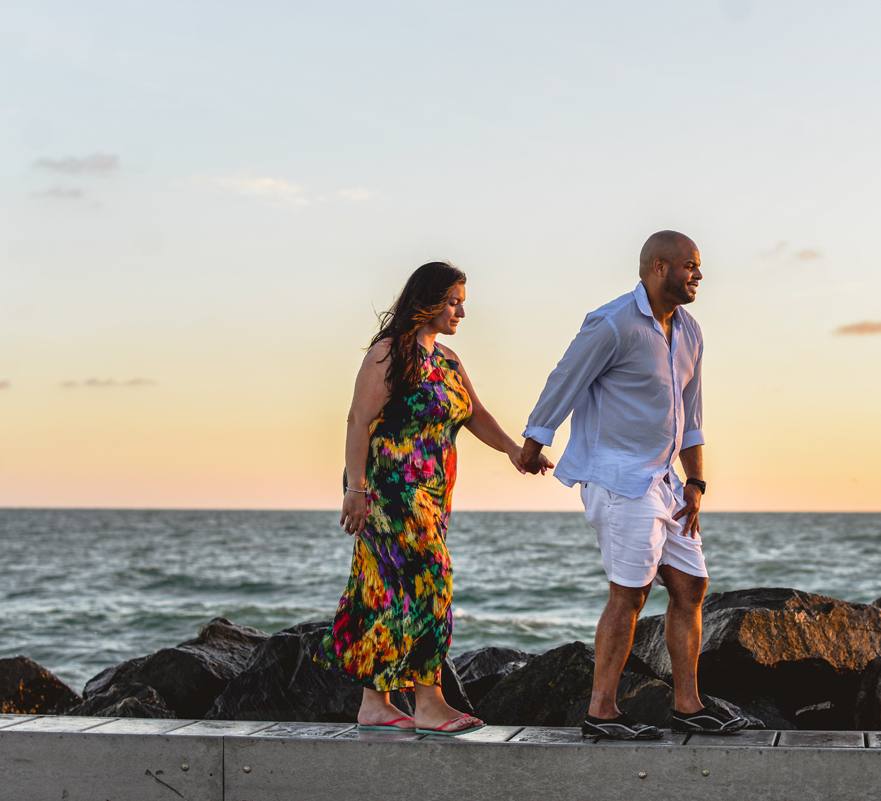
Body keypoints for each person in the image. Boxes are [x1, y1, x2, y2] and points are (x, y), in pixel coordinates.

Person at [518, 231, 746, 740]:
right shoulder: (613, 321)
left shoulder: (690, 332)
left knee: (690, 586)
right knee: (631, 593)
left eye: (700, 266)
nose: (699, 275)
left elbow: (692, 413)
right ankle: (601, 713)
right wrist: (536, 438)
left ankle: (688, 706)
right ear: (659, 267)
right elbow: (566, 377)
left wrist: (697, 480)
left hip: (667, 481)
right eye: (691, 266)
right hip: (619, 478)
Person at [316, 261, 551, 736]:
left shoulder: (446, 361)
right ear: (427, 301)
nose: (461, 310)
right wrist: (356, 491)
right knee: (433, 577)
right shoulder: (390, 353)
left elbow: (475, 414)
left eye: (462, 301)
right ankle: (429, 700)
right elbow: (358, 421)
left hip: (433, 494)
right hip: (390, 489)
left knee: (380, 587)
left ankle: (374, 704)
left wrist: (514, 451)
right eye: (453, 301)